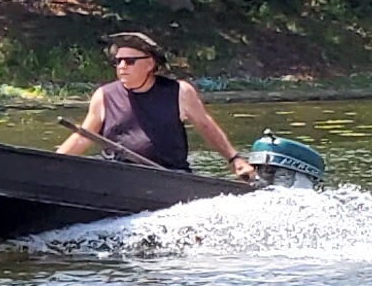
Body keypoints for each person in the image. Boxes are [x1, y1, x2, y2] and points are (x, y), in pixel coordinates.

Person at [56, 32, 256, 180]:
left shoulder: (180, 92)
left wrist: (235, 160)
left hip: (170, 177)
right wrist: (51, 164)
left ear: (150, 64)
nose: (122, 66)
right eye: (118, 61)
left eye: (130, 61)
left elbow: (206, 126)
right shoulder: (104, 95)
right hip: (118, 177)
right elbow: (83, 137)